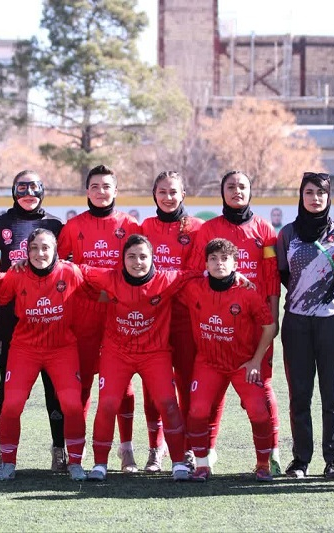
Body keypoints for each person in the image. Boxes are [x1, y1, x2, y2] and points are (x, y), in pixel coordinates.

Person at [83, 234, 201, 482]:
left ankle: (178, 461)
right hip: (117, 353)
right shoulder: (108, 277)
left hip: (155, 353)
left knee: (168, 403)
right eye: (132, 257)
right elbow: (77, 271)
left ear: (152, 258)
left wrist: (237, 277)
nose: (138, 262)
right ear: (122, 259)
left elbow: (199, 274)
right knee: (107, 404)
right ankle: (100, 464)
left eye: (143, 256)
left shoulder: (167, 279)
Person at [194, 170, 282, 475]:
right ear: (222, 192)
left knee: (261, 393)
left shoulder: (265, 231)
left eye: (242, 186)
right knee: (210, 394)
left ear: (250, 191)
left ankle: (272, 452)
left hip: (256, 326)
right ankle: (208, 453)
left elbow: (272, 279)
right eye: (230, 186)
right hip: (218, 324)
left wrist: (274, 317)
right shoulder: (208, 230)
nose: (237, 191)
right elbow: (197, 273)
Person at [57, 164, 141, 472]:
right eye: (95, 186)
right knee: (83, 384)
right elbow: (63, 272)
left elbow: (140, 270)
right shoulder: (72, 227)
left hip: (121, 314)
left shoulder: (131, 225)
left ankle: (127, 449)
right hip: (83, 315)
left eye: (107, 186)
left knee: (124, 388)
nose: (101, 192)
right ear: (87, 191)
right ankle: (75, 452)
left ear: (115, 191)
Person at [0, 170, 66, 470]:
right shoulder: (0, 224)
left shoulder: (55, 225)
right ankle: (5, 452)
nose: (28, 193)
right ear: (13, 191)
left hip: (50, 316)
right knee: (8, 390)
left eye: (34, 187)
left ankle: (59, 448)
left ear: (43, 190)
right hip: (10, 319)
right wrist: (8, 278)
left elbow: (65, 265)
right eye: (22, 187)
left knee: (54, 388)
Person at [0, 229, 88, 481]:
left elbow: (99, 288)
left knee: (72, 406)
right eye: (33, 248)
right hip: (25, 348)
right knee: (11, 405)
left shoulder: (71, 272)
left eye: (45, 247)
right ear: (26, 251)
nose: (39, 253)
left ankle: (75, 462)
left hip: (62, 348)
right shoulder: (17, 272)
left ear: (55, 248)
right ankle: (7, 462)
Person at [181, 238, 277, 482]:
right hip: (208, 363)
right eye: (213, 259)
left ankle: (263, 464)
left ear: (235, 263)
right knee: (197, 410)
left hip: (241, 364)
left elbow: (270, 326)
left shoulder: (248, 292)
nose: (219, 263)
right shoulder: (194, 288)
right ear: (206, 263)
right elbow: (171, 282)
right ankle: (202, 465)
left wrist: (256, 361)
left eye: (225, 259)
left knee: (258, 411)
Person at [277, 172, 334, 479]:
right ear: (301, 196)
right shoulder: (287, 234)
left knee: (331, 396)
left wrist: (325, 300)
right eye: (309, 192)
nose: (315, 198)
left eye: (321, 193)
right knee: (300, 395)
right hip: (296, 324)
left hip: (331, 323)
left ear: (328, 196)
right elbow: (283, 273)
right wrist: (304, 298)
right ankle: (300, 460)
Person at [139, 171, 204, 472]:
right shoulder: (145, 227)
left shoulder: (196, 228)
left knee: (187, 384)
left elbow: (193, 275)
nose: (167, 197)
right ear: (154, 195)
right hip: (152, 318)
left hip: (185, 319)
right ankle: (156, 448)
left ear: (183, 194)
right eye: (162, 191)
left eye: (173, 192)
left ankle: (189, 448)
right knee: (154, 388)